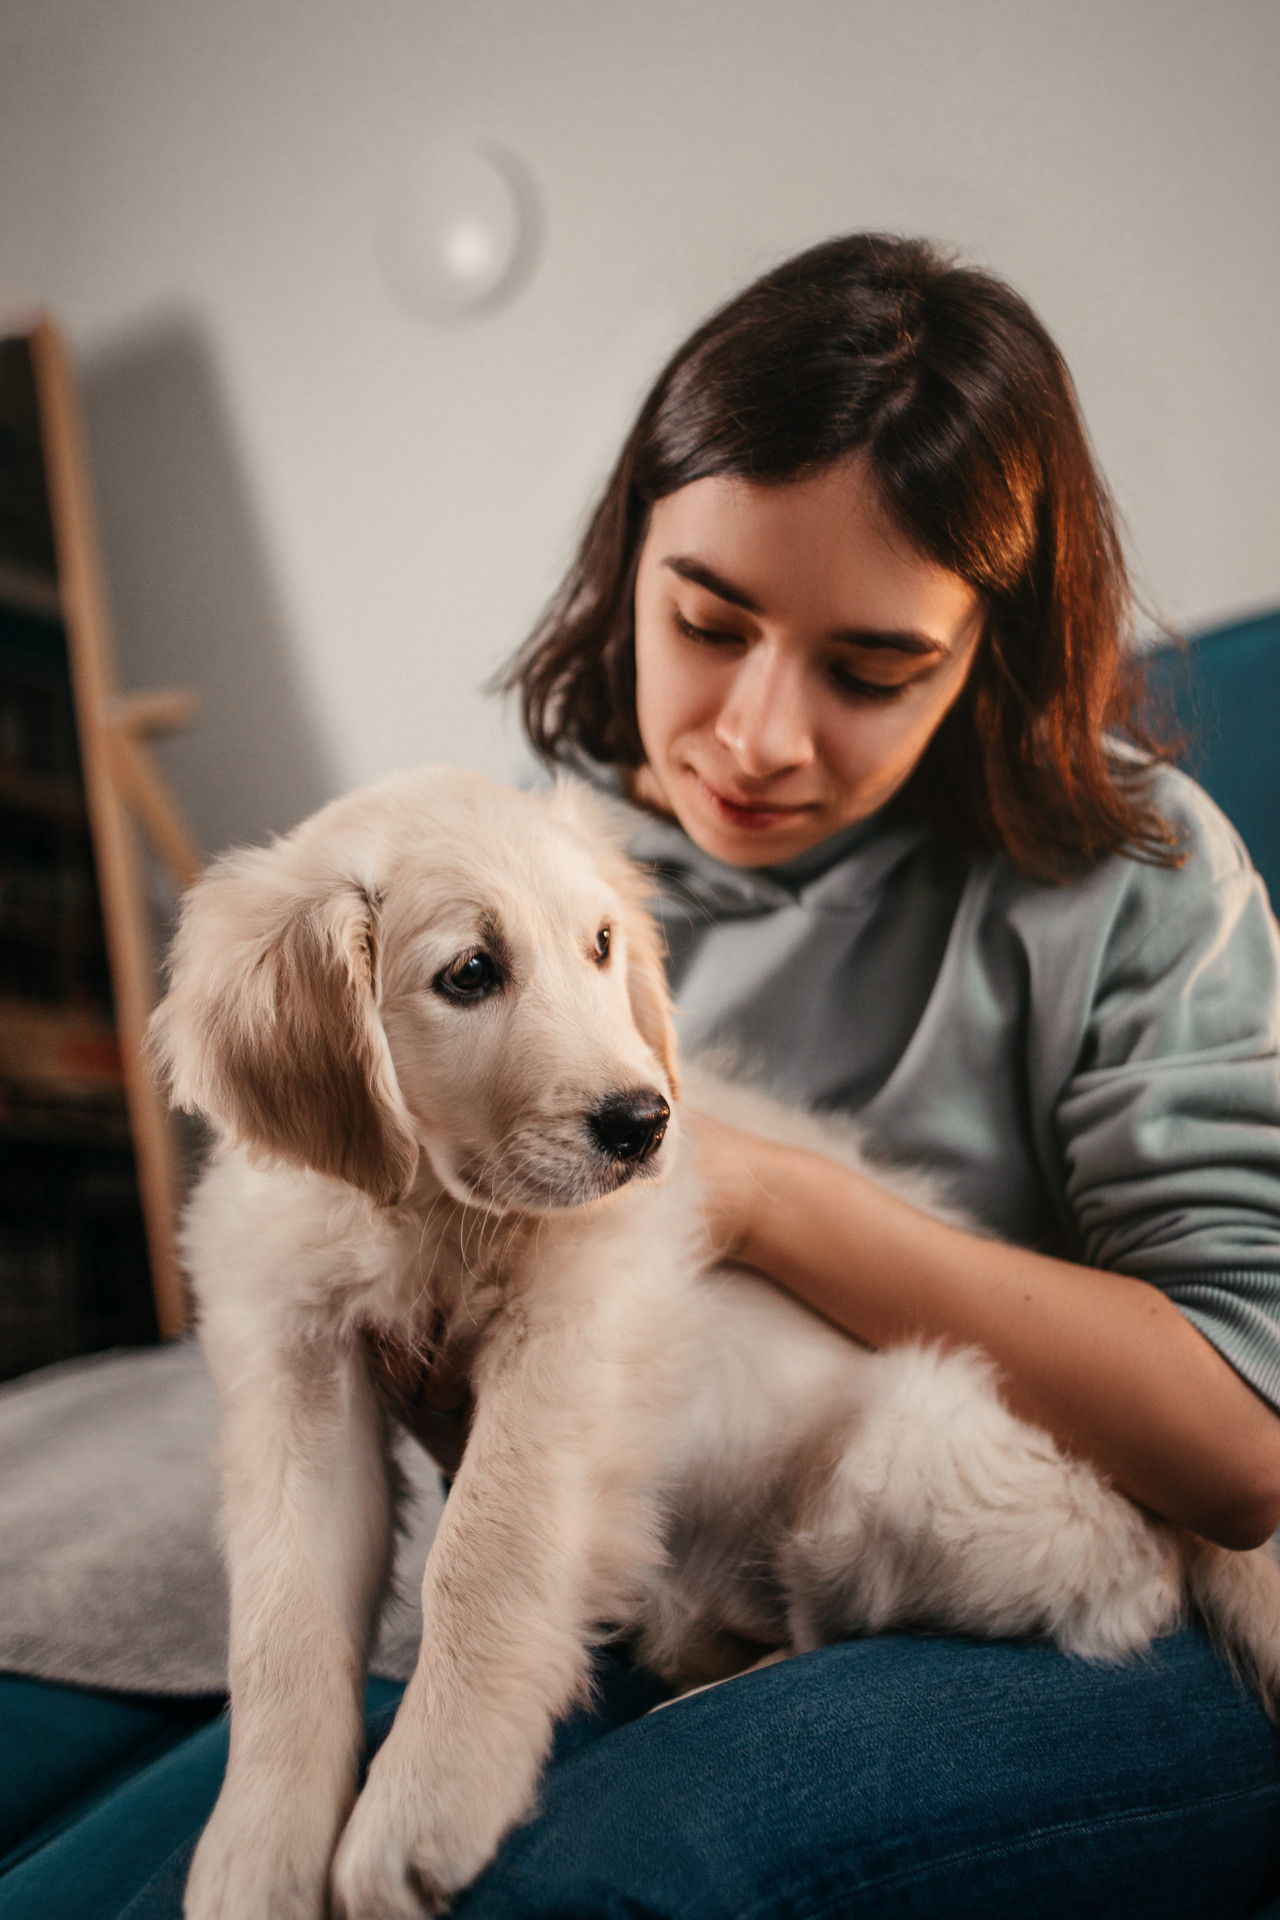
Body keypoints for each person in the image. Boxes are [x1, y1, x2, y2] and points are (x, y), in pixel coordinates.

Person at [131, 234, 1280, 1919]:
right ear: (631, 560)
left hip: (1090, 1570)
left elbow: (1248, 1453)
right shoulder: (559, 849)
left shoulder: (1136, 873)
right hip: (670, 1588)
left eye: (871, 670)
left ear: (995, 646)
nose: (753, 736)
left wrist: (760, 1201)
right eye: (705, 621)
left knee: (603, 1879)